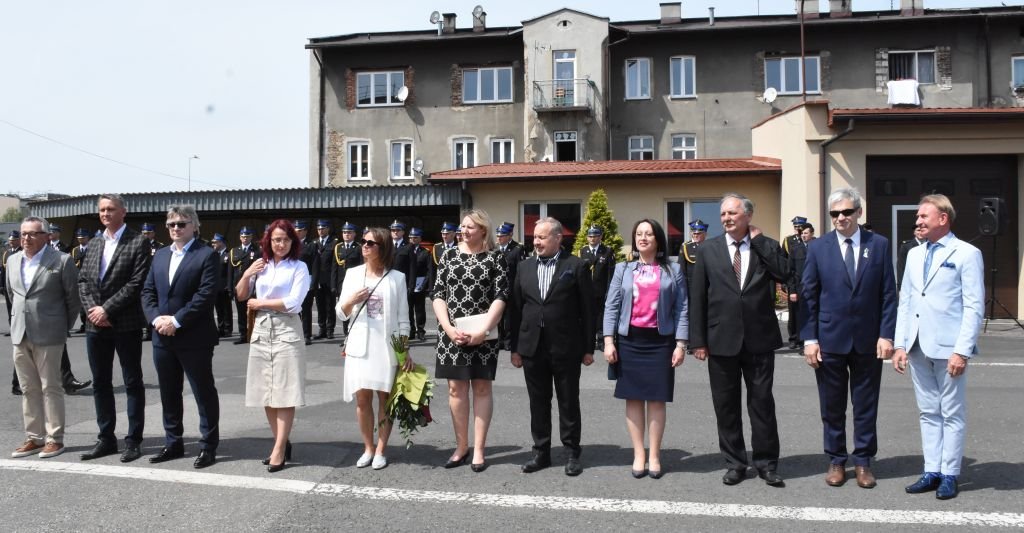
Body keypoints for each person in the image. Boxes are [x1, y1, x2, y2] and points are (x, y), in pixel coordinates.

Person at [800, 188, 898, 489]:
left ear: (859, 212)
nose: (841, 217)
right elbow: (809, 296)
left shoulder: (878, 245)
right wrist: (809, 339)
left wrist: (886, 334)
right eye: (835, 213)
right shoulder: (818, 248)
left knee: (866, 404)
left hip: (868, 340)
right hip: (829, 339)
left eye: (846, 212)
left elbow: (888, 294)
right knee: (832, 405)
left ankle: (863, 461)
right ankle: (837, 460)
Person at [690, 193, 789, 487]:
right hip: (721, 339)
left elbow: (784, 273)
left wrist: (759, 242)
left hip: (759, 339)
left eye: (732, 213)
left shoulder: (766, 246)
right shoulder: (708, 250)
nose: (726, 219)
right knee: (726, 405)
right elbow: (698, 296)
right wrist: (698, 341)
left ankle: (766, 463)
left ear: (748, 215)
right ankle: (735, 463)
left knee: (762, 404)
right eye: (723, 214)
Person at [892, 194, 984, 501]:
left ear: (942, 218)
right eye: (918, 216)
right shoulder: (914, 254)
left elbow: (974, 306)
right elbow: (906, 300)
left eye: (923, 216)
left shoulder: (967, 253)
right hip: (918, 345)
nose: (917, 221)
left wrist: (962, 350)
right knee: (928, 411)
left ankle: (950, 474)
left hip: (949, 348)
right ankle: (931, 470)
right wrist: (900, 343)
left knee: (951, 412)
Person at [603, 219, 687, 479]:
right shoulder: (623, 269)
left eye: (648, 234)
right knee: (633, 398)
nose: (643, 238)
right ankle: (639, 453)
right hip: (630, 341)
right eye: (638, 233)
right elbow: (611, 306)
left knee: (657, 399)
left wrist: (681, 344)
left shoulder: (673, 269)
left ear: (658, 239)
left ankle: (655, 455)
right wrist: (608, 340)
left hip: (661, 342)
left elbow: (682, 307)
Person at [510, 217, 594, 476]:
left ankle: (571, 452)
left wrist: (588, 348)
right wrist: (514, 348)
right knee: (538, 402)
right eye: (534, 237)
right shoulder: (523, 267)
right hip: (532, 346)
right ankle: (541, 452)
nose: (536, 242)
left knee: (568, 401)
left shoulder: (576, 266)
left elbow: (588, 310)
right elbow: (516, 309)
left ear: (558, 238)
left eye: (542, 237)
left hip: (566, 346)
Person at [141, 205, 221, 469]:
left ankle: (208, 445)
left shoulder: (207, 255)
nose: (176, 228)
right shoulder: (161, 255)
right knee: (169, 392)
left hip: (194, 337)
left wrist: (176, 321)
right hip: (162, 337)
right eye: (171, 224)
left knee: (203, 392)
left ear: (194, 226)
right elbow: (148, 292)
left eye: (182, 223)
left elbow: (205, 295)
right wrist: (156, 320)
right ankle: (173, 442)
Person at [431, 209, 509, 472]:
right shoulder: (449, 255)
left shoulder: (496, 258)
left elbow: (501, 297)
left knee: (482, 389)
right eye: (462, 226)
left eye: (470, 227)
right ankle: (461, 446)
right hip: (452, 335)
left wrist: (483, 331)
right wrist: (448, 328)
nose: (463, 231)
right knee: (456, 390)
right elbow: (438, 294)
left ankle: (479, 450)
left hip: (483, 336)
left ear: (483, 230)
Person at [77, 193, 151, 463]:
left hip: (125, 323)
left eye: (111, 209)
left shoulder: (138, 241)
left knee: (132, 382)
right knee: (101, 382)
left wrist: (107, 309)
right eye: (102, 210)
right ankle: (106, 438)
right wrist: (93, 311)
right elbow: (83, 281)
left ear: (123, 212)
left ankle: (133, 440)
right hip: (95, 325)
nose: (105, 214)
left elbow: (136, 282)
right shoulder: (95, 242)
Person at [236, 219, 310, 473]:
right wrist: (247, 273)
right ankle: (281, 440)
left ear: (293, 242)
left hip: (286, 328)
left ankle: (278, 449)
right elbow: (241, 295)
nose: (281, 244)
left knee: (285, 390)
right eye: (277, 239)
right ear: (269, 241)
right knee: (265, 390)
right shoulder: (262, 265)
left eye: (286, 240)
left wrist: (261, 303)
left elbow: (294, 302)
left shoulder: (299, 267)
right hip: (262, 328)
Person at [336, 227, 413, 470]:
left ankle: (381, 449)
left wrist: (403, 351)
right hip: (360, 346)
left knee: (385, 399)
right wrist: (351, 301)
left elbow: (403, 319)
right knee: (362, 399)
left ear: (383, 247)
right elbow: (341, 313)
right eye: (364, 241)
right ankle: (368, 447)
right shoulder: (353, 274)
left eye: (370, 243)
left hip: (386, 346)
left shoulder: (397, 278)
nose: (365, 246)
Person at [7, 217, 80, 459]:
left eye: (32, 234)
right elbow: (13, 295)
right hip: (20, 332)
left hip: (49, 332)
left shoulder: (61, 260)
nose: (26, 238)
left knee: (51, 387)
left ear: (46, 236)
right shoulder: (13, 260)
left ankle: (54, 438)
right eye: (23, 233)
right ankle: (34, 437)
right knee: (28, 388)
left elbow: (72, 299)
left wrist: (61, 327)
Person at [578, 224, 614, 351]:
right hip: (587, 291)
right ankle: (589, 341)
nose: (592, 238)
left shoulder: (607, 251)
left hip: (601, 290)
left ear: (600, 237)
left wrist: (609, 290)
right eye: (590, 236)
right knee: (587, 316)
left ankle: (601, 340)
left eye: (595, 236)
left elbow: (610, 273)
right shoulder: (582, 251)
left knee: (601, 316)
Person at [330, 221, 363, 337]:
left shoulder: (358, 248)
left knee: (355, 308)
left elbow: (362, 266)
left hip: (354, 283)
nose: (346, 234)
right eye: (344, 232)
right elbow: (334, 267)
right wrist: (333, 285)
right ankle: (346, 336)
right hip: (341, 283)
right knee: (344, 308)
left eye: (349, 232)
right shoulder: (338, 247)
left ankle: (354, 333)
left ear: (354, 234)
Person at [229, 226, 260, 345]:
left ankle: (254, 334)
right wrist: (230, 288)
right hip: (239, 286)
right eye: (242, 236)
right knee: (241, 312)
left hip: (252, 287)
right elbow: (230, 272)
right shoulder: (234, 251)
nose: (245, 238)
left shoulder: (257, 251)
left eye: (247, 236)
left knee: (253, 313)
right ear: (240, 237)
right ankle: (243, 335)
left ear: (251, 237)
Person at [786, 223, 814, 340]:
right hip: (799, 286)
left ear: (812, 233)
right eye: (801, 233)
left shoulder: (819, 247)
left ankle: (810, 338)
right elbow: (790, 271)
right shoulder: (795, 249)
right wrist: (792, 290)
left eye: (806, 233)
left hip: (814, 286)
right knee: (796, 314)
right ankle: (795, 338)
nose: (803, 235)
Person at [295, 221, 318, 345]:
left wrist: (313, 283)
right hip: (293, 281)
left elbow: (315, 265)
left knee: (306, 309)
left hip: (306, 280)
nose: (297, 233)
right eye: (295, 230)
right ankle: (296, 333)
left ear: (305, 231)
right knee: (294, 309)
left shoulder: (311, 245)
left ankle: (306, 335)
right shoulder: (290, 244)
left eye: (299, 231)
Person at [313, 219, 337, 339]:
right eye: (319, 229)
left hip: (329, 279)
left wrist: (333, 282)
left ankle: (330, 330)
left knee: (330, 306)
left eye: (323, 228)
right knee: (320, 305)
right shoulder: (314, 243)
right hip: (318, 280)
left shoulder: (334, 243)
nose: (320, 231)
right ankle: (322, 329)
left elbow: (334, 265)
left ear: (328, 229)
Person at [408, 227, 432, 342]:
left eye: (415, 237)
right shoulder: (405, 251)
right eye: (411, 237)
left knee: (420, 309)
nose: (413, 239)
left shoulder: (425, 252)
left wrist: (425, 283)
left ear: (420, 239)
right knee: (408, 309)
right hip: (408, 283)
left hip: (419, 283)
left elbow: (429, 270)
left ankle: (421, 331)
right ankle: (411, 331)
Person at [210, 233, 233, 337]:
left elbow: (230, 272)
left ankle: (228, 329)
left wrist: (229, 285)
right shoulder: (214, 255)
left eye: (215, 242)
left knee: (226, 309)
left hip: (225, 286)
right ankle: (221, 328)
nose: (213, 244)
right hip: (216, 287)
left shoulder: (229, 254)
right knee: (218, 309)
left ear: (221, 242)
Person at [679, 219, 708, 300]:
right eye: (694, 233)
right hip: (691, 286)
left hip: (707, 285)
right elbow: (682, 270)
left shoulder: (710, 246)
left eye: (699, 233)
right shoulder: (686, 247)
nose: (695, 235)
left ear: (705, 234)